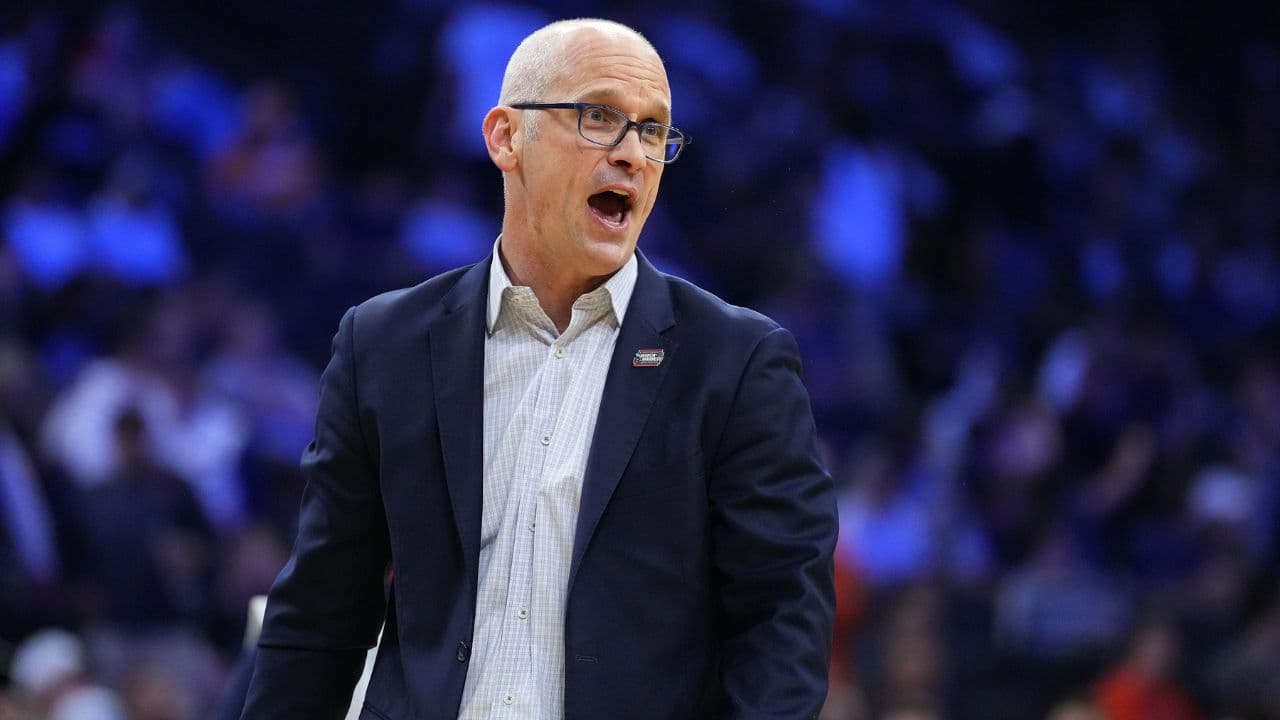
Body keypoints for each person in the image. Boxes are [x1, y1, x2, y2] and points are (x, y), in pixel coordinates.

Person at [240, 18, 837, 720]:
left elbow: (780, 623)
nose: (633, 155)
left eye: (653, 132)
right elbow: (319, 613)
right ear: (505, 137)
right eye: (600, 117)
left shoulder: (736, 362)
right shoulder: (384, 344)